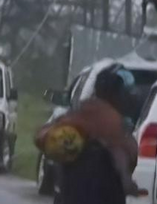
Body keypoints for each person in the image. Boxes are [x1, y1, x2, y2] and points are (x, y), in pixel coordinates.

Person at [36, 66, 144, 203]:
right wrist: (128, 183)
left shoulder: (79, 113)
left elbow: (42, 136)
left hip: (70, 195)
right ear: (117, 94)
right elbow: (122, 155)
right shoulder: (113, 121)